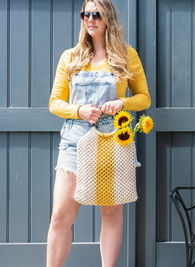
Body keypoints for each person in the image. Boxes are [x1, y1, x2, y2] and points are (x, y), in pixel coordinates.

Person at [46, 0, 151, 266]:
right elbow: (55, 103)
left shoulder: (126, 55)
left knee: (111, 212)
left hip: (112, 138)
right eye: (86, 14)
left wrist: (121, 103)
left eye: (96, 14)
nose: (90, 19)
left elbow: (144, 99)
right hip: (74, 139)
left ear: (108, 18)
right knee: (60, 216)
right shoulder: (70, 57)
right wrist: (79, 110)